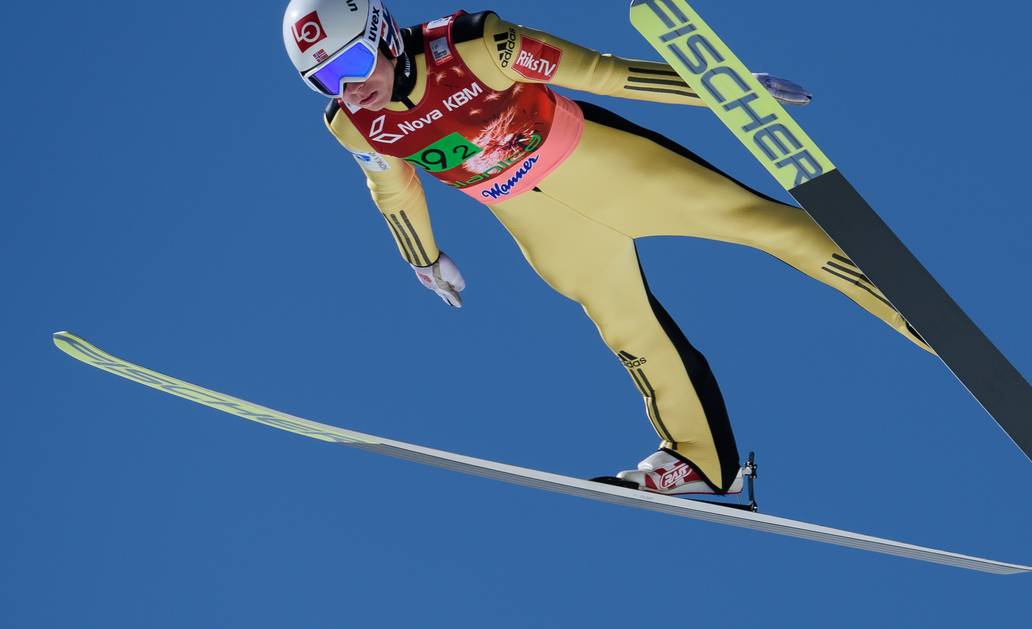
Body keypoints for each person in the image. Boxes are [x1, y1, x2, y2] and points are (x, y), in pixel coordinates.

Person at [282, 0, 933, 498]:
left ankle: (913, 311)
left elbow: (605, 73)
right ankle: (704, 463)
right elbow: (392, 188)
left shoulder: (476, 45)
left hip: (606, 166)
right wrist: (423, 257)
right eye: (324, 81)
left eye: (351, 65)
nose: (348, 88)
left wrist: (724, 89)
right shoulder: (353, 123)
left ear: (385, 37)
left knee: (766, 226)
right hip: (540, 225)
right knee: (630, 331)